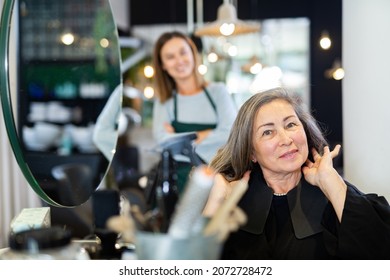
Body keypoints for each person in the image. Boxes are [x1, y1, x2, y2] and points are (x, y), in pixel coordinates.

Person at [203, 87, 390, 259]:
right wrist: (216, 203)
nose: (285, 139)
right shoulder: (231, 198)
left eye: (291, 125)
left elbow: (378, 255)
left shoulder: (333, 191)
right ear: (252, 152)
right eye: (268, 132)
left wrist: (331, 181)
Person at [152, 31, 237, 193]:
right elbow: (163, 141)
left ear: (193, 54)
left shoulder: (218, 92)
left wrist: (180, 137)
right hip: (183, 181)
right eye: (170, 57)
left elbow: (232, 133)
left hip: (223, 176)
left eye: (183, 52)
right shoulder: (164, 101)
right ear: (163, 65)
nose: (179, 61)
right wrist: (211, 133)